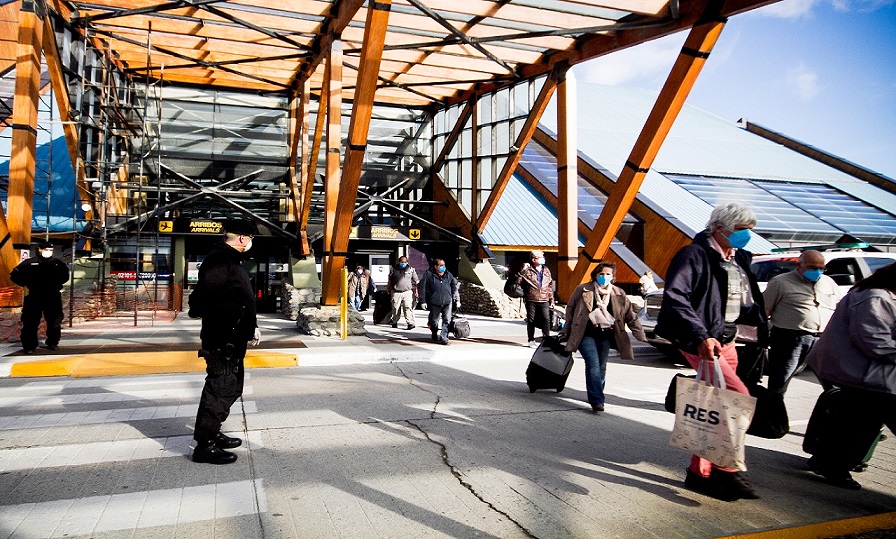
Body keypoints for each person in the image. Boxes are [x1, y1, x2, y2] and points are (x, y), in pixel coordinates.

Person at [655, 202, 767, 502]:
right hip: (704, 342)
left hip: (727, 340)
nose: (747, 236)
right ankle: (725, 472)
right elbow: (676, 297)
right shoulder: (694, 254)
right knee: (736, 397)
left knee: (713, 410)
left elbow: (746, 300)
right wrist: (700, 335)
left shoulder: (738, 257)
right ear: (720, 229)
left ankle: (698, 473)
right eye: (742, 230)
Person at [804, 262, 896, 489]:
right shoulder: (876, 298)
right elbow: (874, 341)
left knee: (854, 421)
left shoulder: (876, 294)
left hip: (862, 373)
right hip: (860, 374)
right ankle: (833, 465)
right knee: (860, 422)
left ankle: (828, 462)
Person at [187, 222, 261, 465]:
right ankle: (204, 445)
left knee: (230, 387)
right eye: (250, 236)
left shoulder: (230, 260)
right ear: (241, 238)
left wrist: (252, 327)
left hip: (233, 336)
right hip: (222, 338)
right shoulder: (219, 260)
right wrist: (198, 311)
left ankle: (213, 430)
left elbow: (241, 298)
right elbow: (203, 294)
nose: (251, 241)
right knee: (220, 389)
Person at [562, 262, 645, 413]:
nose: (604, 277)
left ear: (613, 277)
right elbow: (571, 308)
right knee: (593, 365)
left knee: (601, 366)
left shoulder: (619, 293)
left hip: (606, 334)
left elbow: (629, 315)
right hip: (585, 334)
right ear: (595, 275)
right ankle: (597, 400)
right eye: (601, 274)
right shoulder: (583, 289)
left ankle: (597, 392)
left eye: (608, 274)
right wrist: (566, 329)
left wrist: (639, 333)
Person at [763, 250, 840, 396]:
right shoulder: (780, 282)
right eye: (812, 267)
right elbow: (765, 309)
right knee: (780, 383)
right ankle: (773, 416)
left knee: (833, 384)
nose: (817, 271)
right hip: (790, 338)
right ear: (799, 265)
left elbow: (837, 306)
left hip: (823, 339)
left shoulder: (828, 282)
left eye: (821, 268)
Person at [10, 241, 70, 354]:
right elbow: (14, 275)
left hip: (52, 295)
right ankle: (29, 346)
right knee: (30, 321)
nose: (48, 252)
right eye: (46, 250)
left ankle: (53, 342)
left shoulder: (57, 263)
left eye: (50, 250)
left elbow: (65, 276)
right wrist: (25, 284)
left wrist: (57, 284)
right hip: (34, 295)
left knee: (54, 321)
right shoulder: (29, 263)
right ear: (40, 250)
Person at [509, 250, 556, 348]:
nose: (543, 259)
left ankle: (546, 339)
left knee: (546, 319)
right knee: (531, 320)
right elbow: (516, 282)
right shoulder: (527, 270)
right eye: (540, 257)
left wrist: (551, 299)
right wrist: (521, 271)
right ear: (534, 259)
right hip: (531, 299)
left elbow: (550, 286)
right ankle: (531, 339)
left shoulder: (546, 270)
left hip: (544, 299)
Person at [418, 258, 460, 345]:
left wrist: (457, 300)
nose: (442, 267)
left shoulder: (448, 275)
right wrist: (423, 301)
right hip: (435, 302)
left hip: (448, 302)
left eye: (443, 265)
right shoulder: (429, 275)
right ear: (435, 266)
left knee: (447, 320)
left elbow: (454, 288)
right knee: (434, 321)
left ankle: (444, 337)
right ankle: (434, 332)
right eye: (440, 265)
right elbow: (423, 288)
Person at [388, 256, 419, 330]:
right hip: (396, 292)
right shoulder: (393, 269)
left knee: (408, 307)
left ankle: (410, 323)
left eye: (405, 262)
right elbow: (389, 280)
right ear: (399, 262)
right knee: (395, 307)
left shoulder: (411, 270)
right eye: (402, 262)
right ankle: (394, 321)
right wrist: (388, 288)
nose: (403, 263)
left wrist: (416, 291)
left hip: (407, 292)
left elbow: (416, 281)